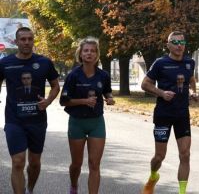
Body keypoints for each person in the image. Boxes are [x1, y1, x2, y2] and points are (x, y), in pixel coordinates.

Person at [0, 27, 60, 194]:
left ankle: (30, 189)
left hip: (37, 121)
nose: (27, 42)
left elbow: (56, 86)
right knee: (18, 162)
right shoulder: (5, 63)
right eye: (23, 39)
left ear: (33, 41)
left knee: (34, 163)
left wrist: (47, 101)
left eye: (30, 39)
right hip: (14, 120)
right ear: (16, 41)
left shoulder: (44, 62)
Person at [141, 31, 198, 194]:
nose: (179, 45)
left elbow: (191, 79)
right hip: (163, 114)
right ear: (168, 45)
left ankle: (182, 192)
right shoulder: (160, 63)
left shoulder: (190, 62)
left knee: (185, 154)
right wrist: (161, 93)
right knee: (160, 156)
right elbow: (145, 84)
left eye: (182, 42)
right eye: (175, 42)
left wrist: (193, 92)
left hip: (182, 114)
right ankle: (153, 176)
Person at [60, 37, 115, 194]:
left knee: (94, 164)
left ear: (97, 54)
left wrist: (109, 98)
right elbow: (63, 101)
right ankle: (74, 185)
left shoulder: (103, 75)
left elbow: (106, 90)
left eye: (93, 51)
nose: (89, 53)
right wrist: (84, 101)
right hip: (77, 122)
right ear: (81, 54)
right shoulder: (73, 76)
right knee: (76, 164)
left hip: (96, 123)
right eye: (86, 50)